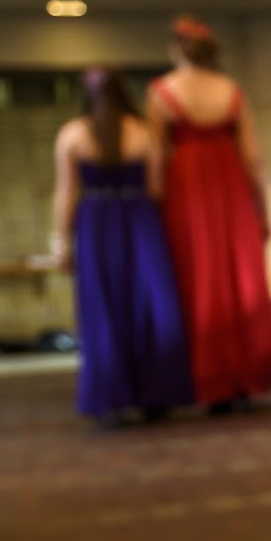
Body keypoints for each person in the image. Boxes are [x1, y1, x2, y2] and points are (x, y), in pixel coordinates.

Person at [148, 15, 271, 413]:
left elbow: (156, 157)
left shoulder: (162, 91)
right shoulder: (231, 90)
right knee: (236, 278)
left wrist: (154, 205)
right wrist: (262, 209)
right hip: (231, 191)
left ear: (175, 49)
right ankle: (239, 377)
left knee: (194, 280)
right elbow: (254, 159)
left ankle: (204, 376)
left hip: (186, 192)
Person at [52, 66, 194, 426]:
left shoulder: (71, 134)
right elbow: (156, 188)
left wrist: (62, 243)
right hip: (140, 223)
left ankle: (111, 399)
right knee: (149, 306)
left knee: (103, 307)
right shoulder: (145, 133)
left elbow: (66, 194)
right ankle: (157, 396)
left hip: (96, 225)